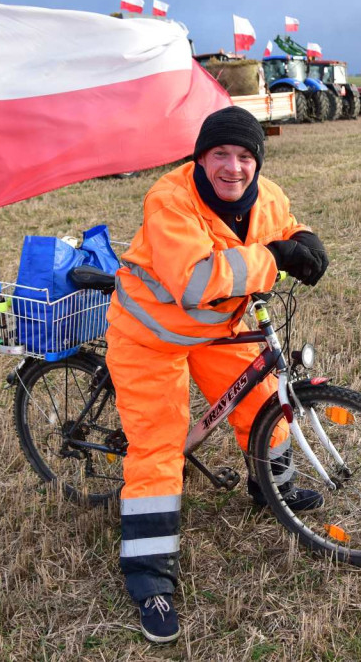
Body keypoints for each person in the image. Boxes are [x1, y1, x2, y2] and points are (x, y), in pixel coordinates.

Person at [104, 106, 329, 644]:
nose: (233, 168)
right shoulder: (169, 199)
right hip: (149, 334)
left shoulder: (266, 193)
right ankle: (149, 575)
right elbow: (198, 279)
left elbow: (283, 225)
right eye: (220, 155)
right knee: (159, 448)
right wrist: (275, 257)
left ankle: (271, 488)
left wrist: (307, 240)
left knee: (263, 402)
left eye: (246, 156)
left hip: (214, 329)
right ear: (199, 158)